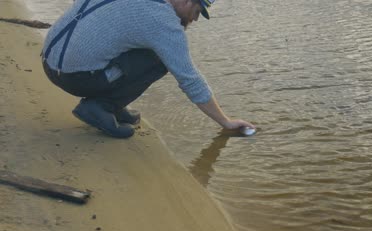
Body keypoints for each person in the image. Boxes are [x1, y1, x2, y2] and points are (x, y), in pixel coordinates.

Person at [41, 0, 255, 138]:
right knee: (161, 59)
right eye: (197, 10)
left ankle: (113, 103)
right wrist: (225, 121)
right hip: (74, 77)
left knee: (137, 44)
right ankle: (101, 106)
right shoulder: (162, 20)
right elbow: (190, 79)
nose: (195, 19)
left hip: (49, 62)